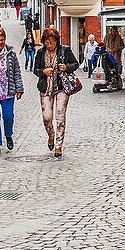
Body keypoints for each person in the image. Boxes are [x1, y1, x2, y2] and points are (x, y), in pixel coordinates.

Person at [33, 27, 79, 158]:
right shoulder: (41, 53)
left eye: (52, 42)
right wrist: (43, 71)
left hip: (61, 87)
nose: (49, 44)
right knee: (47, 117)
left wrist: (66, 67)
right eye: (47, 42)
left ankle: (59, 146)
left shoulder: (65, 50)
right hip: (45, 88)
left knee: (60, 117)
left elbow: (75, 64)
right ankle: (51, 135)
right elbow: (35, 70)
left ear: (57, 41)